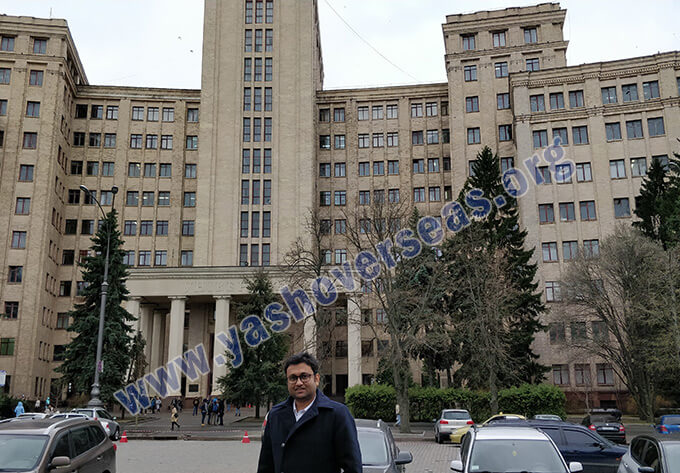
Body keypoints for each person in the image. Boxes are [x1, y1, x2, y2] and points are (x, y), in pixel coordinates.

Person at [257, 352, 362, 473]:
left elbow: (353, 467)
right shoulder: (275, 415)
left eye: (304, 376)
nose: (299, 383)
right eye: (293, 378)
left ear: (316, 379)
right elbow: (266, 465)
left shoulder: (337, 414)